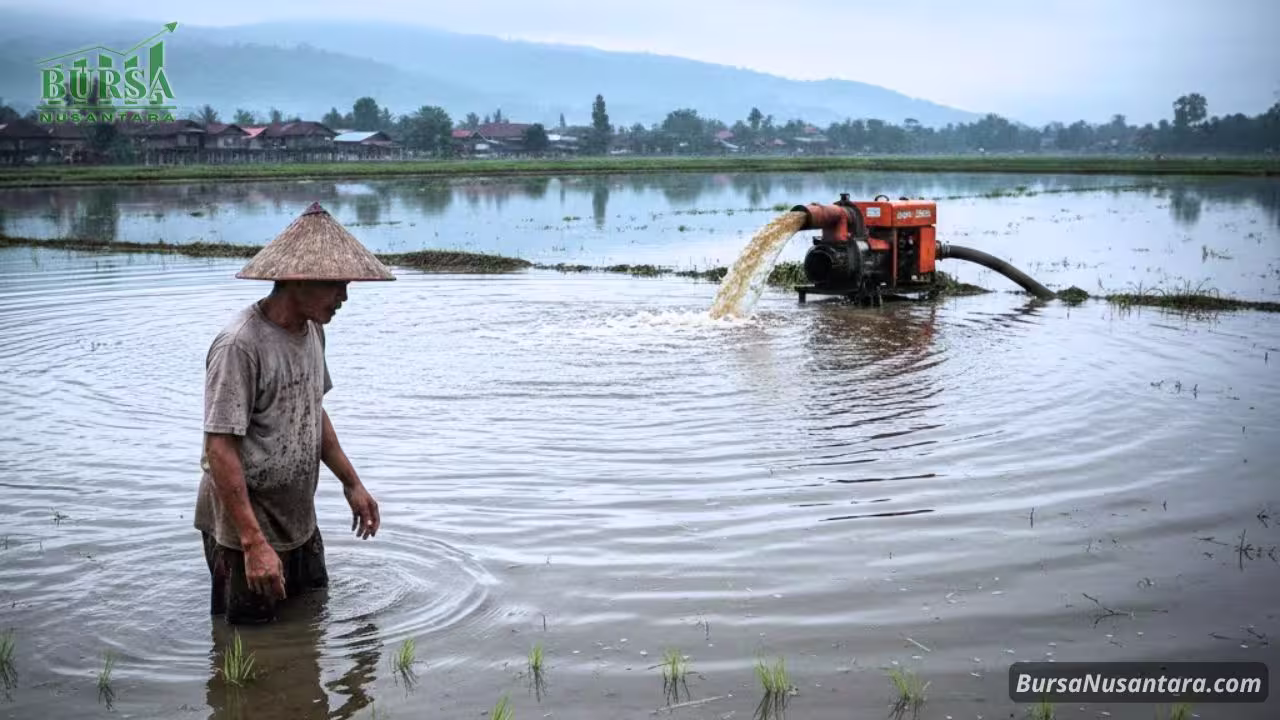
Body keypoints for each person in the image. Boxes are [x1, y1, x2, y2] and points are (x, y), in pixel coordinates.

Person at [195, 201, 396, 624]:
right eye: (336, 284)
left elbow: (312, 412)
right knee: (247, 644)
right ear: (298, 280)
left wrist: (352, 483)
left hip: (298, 517)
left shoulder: (312, 331)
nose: (344, 295)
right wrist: (252, 543)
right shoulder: (240, 345)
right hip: (245, 526)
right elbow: (220, 447)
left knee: (309, 623)